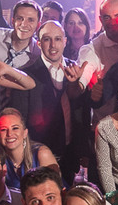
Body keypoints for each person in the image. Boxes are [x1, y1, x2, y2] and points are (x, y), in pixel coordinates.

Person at [13, 20, 85, 159]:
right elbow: (20, 120)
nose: (53, 45)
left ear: (65, 41)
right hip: (38, 155)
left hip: (72, 155)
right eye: (47, 39)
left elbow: (83, 112)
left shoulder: (76, 69)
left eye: (58, 39)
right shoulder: (26, 75)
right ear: (39, 43)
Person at [0, 108, 58, 190]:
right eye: (3, 129)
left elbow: (54, 191)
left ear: (25, 133)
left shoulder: (42, 154)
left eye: (15, 128)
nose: (9, 134)